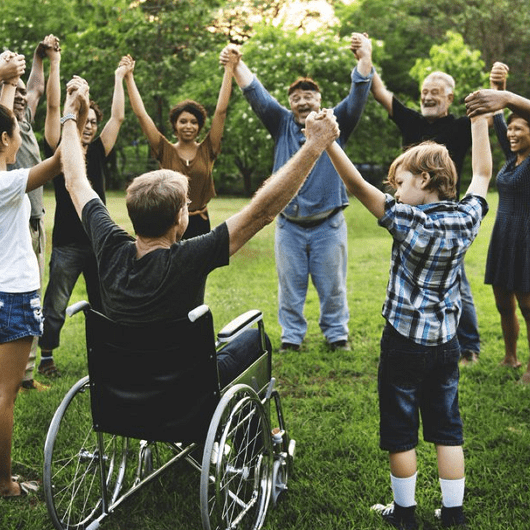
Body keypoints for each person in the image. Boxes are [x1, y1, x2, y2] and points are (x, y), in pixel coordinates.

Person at [59, 76, 339, 387]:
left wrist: (70, 112)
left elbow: (74, 180)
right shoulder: (191, 257)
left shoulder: (108, 245)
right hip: (186, 384)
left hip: (124, 382)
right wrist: (314, 146)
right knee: (254, 340)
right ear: (180, 219)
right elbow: (262, 211)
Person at [324, 106, 492, 528]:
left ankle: (404, 515)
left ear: (424, 181)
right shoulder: (467, 217)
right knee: (447, 427)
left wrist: (327, 142)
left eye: (400, 183)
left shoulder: (408, 220)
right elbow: (483, 174)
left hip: (402, 342)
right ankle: (453, 515)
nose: (395, 192)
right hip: (446, 344)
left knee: (401, 430)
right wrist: (478, 122)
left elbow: (355, 185)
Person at [220, 35, 374, 353]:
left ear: (319, 100)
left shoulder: (336, 122)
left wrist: (365, 57)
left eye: (308, 96)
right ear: (290, 104)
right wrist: (237, 64)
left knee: (332, 287)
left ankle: (336, 336)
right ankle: (292, 338)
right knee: (290, 287)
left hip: (328, 225)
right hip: (288, 225)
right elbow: (255, 93)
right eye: (296, 98)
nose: (302, 102)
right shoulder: (280, 124)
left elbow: (359, 93)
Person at [37, 56, 134, 378]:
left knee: (103, 305)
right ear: (75, 119)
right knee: (55, 305)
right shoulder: (61, 150)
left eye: (94, 121)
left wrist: (120, 76)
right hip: (67, 245)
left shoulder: (98, 151)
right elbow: (53, 110)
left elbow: (118, 117)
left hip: (99, 244)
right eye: (85, 119)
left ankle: (106, 356)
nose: (90, 125)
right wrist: (56, 66)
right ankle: (46, 357)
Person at [0, 88, 63, 496]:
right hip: (12, 294)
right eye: (16, 129)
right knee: (4, 394)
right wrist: (72, 115)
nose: (22, 133)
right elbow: (60, 163)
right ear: (5, 139)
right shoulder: (7, 183)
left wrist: (8, 81)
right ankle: (4, 485)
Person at [124, 47, 239, 239]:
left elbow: (221, 112)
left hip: (200, 222)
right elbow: (141, 115)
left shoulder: (208, 149)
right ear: (175, 126)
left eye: (194, 122)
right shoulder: (164, 149)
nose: (188, 126)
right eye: (183, 121)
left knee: (199, 269)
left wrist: (229, 70)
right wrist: (129, 78)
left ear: (200, 126)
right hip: (168, 222)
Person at [466, 62, 530, 384]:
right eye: (511, 129)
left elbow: (504, 107)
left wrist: (505, 94)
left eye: (521, 128)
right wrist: (496, 85)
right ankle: (511, 356)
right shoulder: (511, 158)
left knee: (528, 307)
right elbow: (497, 119)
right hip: (504, 236)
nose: (512, 133)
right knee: (504, 302)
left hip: (527, 239)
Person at [5, 35, 61, 392]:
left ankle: (23, 374)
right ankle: (20, 377)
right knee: (21, 295)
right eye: (17, 91)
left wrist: (39, 57)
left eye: (26, 92)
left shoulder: (23, 125)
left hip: (36, 220)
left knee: (31, 293)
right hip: (14, 223)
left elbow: (36, 89)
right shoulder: (5, 124)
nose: (24, 96)